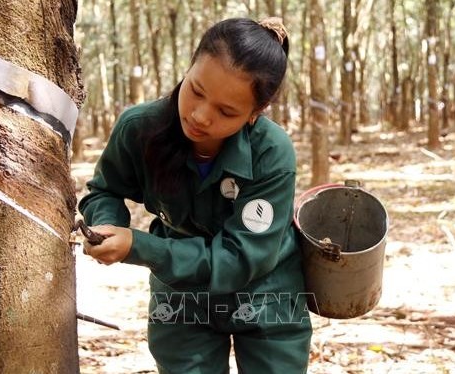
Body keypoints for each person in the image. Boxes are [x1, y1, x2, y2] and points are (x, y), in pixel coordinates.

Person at [78, 17, 311, 373]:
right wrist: (107, 223)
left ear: (255, 114)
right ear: (188, 68)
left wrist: (138, 246)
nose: (200, 116)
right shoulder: (139, 129)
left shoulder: (271, 154)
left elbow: (238, 258)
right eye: (196, 90)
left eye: (226, 111)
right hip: (180, 296)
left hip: (266, 294)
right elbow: (105, 190)